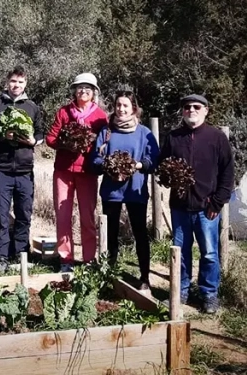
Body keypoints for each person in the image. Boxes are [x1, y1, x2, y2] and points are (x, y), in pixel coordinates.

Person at [159, 94, 234, 314]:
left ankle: (209, 294)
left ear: (206, 110)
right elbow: (163, 166)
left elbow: (227, 172)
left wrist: (217, 202)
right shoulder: (174, 137)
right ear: (182, 111)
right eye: (187, 107)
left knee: (209, 252)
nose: (191, 110)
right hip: (180, 207)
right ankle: (180, 290)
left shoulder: (216, 137)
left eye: (196, 106)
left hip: (206, 207)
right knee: (180, 251)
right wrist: (166, 176)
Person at [90, 90, 159, 290]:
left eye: (126, 105)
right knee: (110, 234)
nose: (121, 109)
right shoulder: (107, 131)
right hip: (112, 192)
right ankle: (108, 274)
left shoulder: (144, 133)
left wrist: (138, 166)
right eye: (118, 105)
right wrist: (107, 166)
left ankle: (145, 278)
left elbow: (153, 160)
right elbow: (95, 159)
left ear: (134, 108)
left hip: (135, 191)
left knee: (140, 234)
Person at [45, 73, 109, 272]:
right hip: (63, 171)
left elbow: (104, 143)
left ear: (94, 93)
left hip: (87, 172)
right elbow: (50, 138)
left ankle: (89, 259)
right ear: (74, 90)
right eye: (80, 87)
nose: (83, 91)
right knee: (63, 215)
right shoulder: (64, 112)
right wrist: (66, 145)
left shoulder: (100, 116)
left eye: (88, 88)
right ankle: (66, 259)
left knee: (87, 216)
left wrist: (90, 147)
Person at [0, 66, 43, 273]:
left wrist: (32, 141)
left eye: (20, 82)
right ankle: (0, 256)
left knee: (24, 213)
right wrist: (3, 136)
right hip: (1, 168)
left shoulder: (32, 107)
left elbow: (40, 133)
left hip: (25, 170)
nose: (16, 85)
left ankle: (22, 254)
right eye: (13, 81)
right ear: (7, 82)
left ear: (25, 84)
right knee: (1, 214)